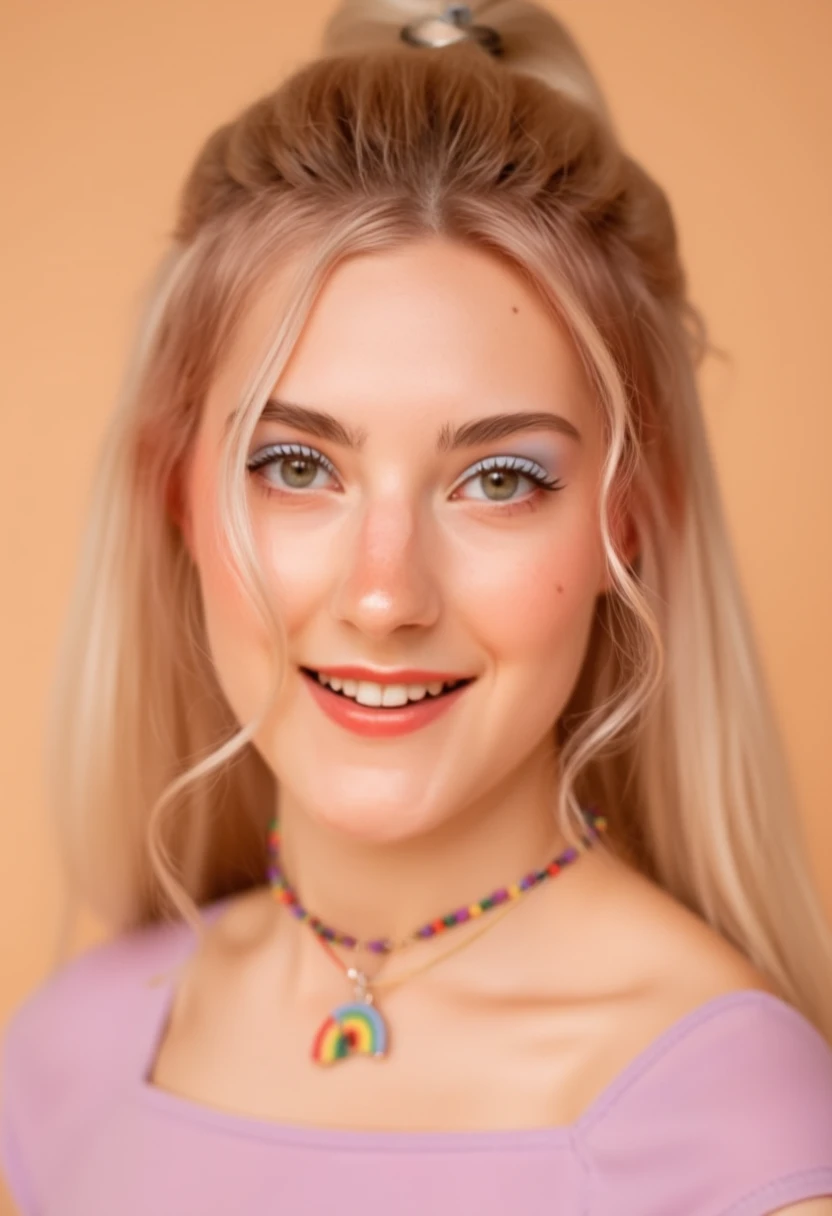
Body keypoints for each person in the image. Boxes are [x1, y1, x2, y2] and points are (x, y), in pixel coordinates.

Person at [2, 1, 832, 1212]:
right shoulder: (65, 1056)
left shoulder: (728, 1122)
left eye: (499, 479)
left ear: (628, 522)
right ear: (171, 493)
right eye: (297, 466)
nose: (385, 594)